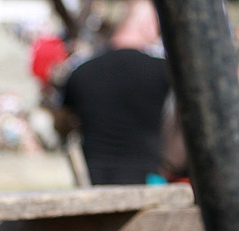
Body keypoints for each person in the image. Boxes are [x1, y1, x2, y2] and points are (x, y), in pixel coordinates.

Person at [54, 0, 174, 185]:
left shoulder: (80, 70)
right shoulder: (165, 71)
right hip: (148, 181)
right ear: (147, 26)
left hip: (94, 181)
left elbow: (62, 124)